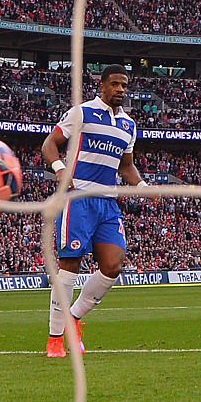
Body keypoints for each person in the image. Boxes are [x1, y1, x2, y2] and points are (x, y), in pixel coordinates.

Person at [42, 64, 148, 358]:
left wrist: (141, 187)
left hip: (108, 202)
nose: (120, 90)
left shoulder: (128, 125)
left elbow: (126, 167)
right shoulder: (82, 112)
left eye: (124, 86)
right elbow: (50, 144)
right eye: (115, 84)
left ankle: (73, 319)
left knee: (113, 265)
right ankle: (54, 338)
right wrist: (60, 169)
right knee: (70, 265)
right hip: (79, 198)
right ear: (101, 86)